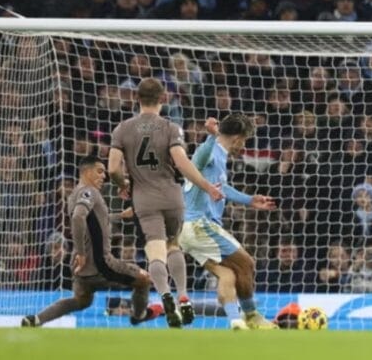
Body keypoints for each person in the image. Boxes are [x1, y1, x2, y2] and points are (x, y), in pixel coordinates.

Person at [108, 77, 223, 327]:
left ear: (137, 99)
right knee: (174, 247)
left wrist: (122, 185)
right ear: (163, 99)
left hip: (144, 199)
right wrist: (207, 187)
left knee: (155, 253)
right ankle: (183, 294)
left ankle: (165, 295)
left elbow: (113, 167)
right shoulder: (171, 128)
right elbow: (182, 163)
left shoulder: (122, 129)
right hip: (172, 196)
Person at [22, 157, 162, 327]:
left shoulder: (74, 195)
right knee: (144, 279)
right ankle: (139, 316)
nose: (104, 176)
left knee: (81, 301)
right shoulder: (89, 192)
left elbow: (92, 221)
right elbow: (78, 217)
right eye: (100, 171)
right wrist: (81, 253)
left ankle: (36, 319)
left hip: (81, 269)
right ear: (87, 172)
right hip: (100, 263)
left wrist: (120, 216)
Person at [178, 115, 277, 330]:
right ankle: (251, 316)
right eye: (245, 140)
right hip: (200, 224)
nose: (243, 146)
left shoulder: (220, 157)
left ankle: (235, 321)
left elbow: (222, 188)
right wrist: (211, 137)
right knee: (247, 264)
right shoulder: (212, 151)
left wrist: (250, 200)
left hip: (188, 230)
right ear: (238, 137)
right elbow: (195, 163)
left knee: (227, 274)